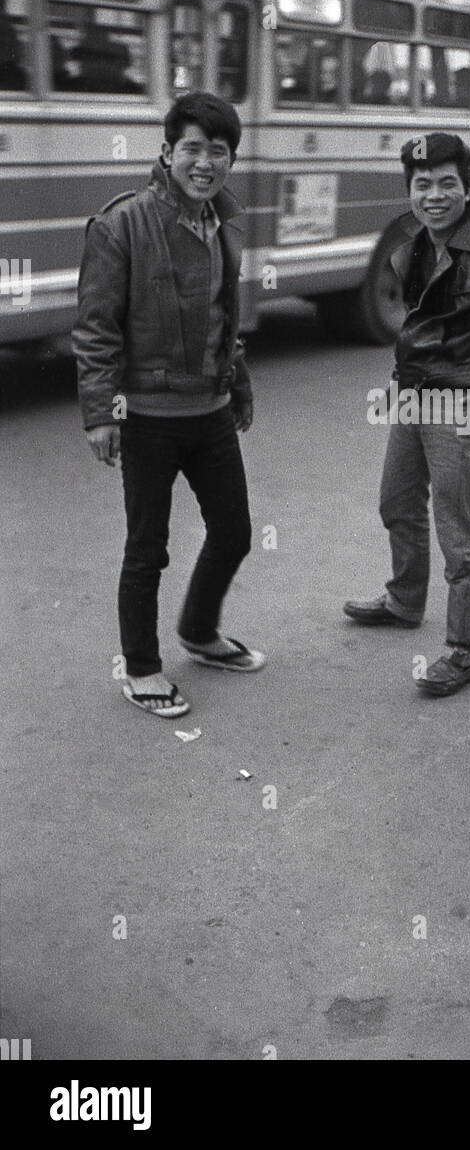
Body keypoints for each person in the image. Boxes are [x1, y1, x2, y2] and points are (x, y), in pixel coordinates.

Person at [72, 92, 264, 719]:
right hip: (146, 416)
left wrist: (236, 382)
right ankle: (142, 668)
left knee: (234, 530)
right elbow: (97, 326)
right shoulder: (121, 223)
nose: (205, 163)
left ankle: (199, 632)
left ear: (230, 159)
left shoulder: (222, 221)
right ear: (166, 152)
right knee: (147, 548)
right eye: (193, 149)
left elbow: (221, 316)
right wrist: (102, 411)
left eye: (218, 151)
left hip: (207, 410)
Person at [343, 132, 470, 696]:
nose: (434, 195)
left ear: (467, 189)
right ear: (410, 191)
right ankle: (405, 600)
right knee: (396, 502)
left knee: (459, 535)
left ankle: (464, 648)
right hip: (413, 393)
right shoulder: (412, 243)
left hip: (459, 401)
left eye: (446, 183)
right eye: (422, 184)